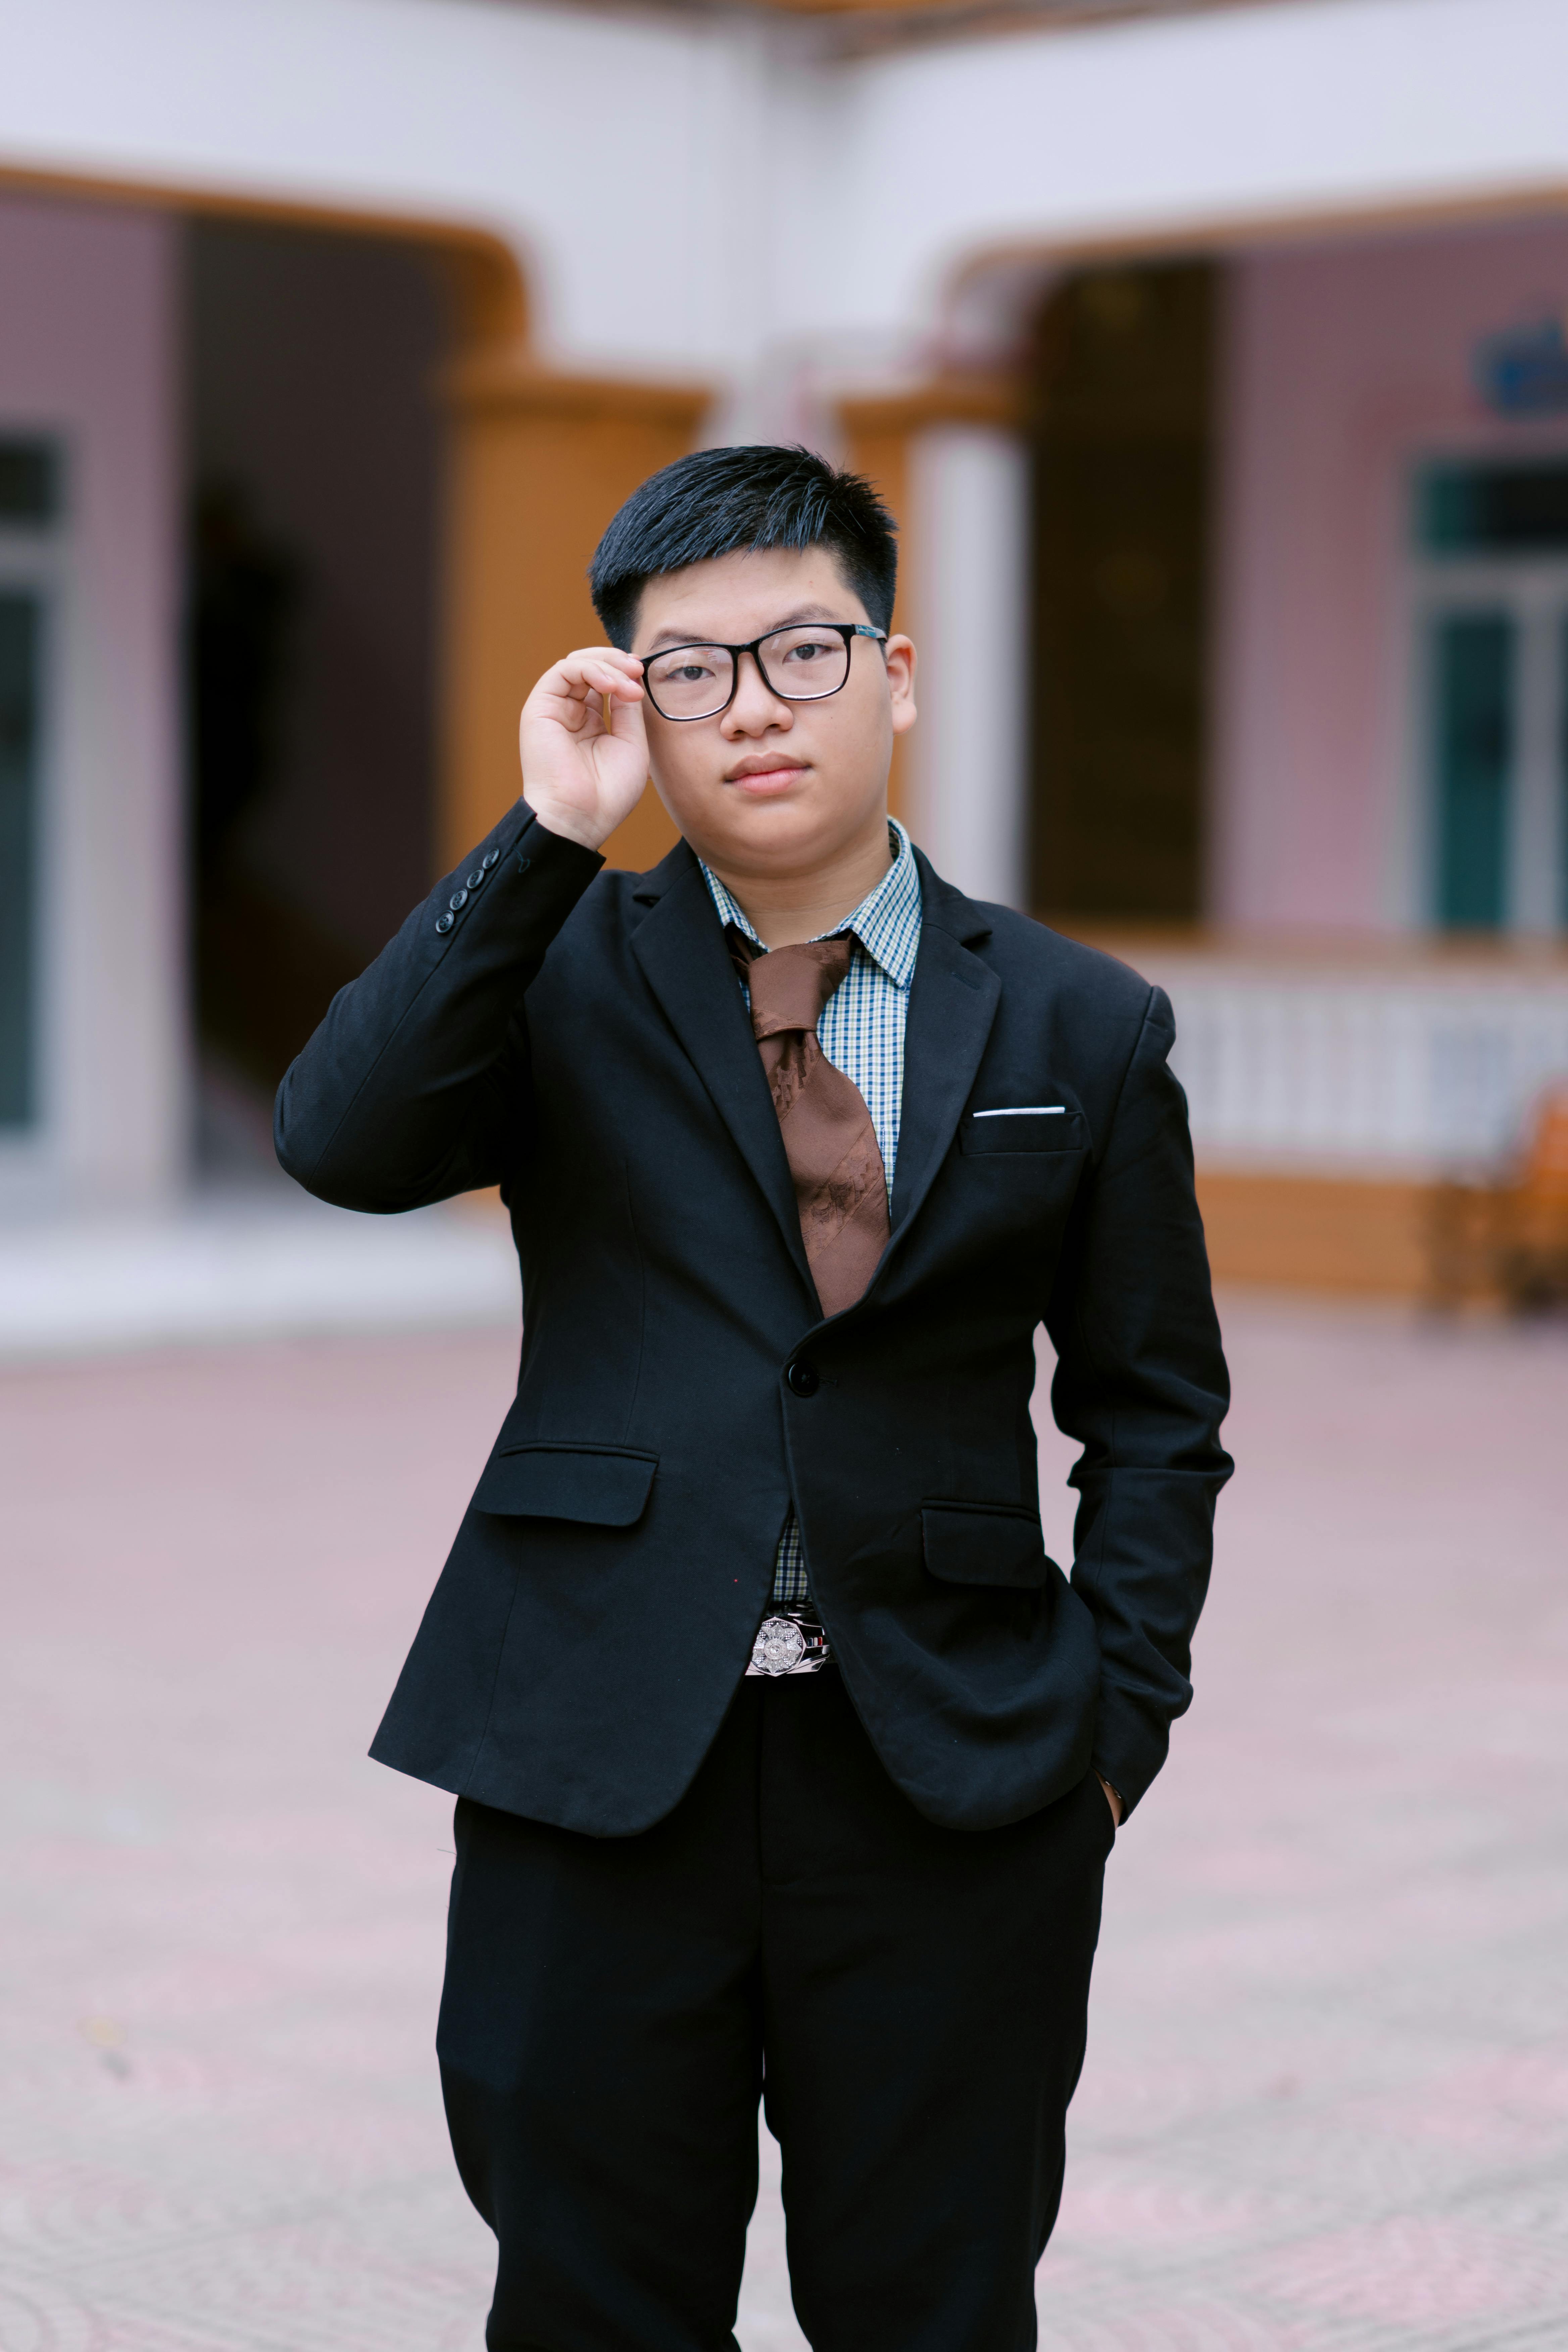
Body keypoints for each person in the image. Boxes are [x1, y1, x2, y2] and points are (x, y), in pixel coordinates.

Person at [275, 444, 1231, 2352]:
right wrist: (549, 830)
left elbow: (1151, 1412)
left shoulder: (1079, 1024)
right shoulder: (555, 972)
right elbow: (341, 1140)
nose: (754, 709)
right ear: (634, 700)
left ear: (896, 671)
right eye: (690, 671)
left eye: (804, 651)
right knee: (589, 2304)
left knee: (936, 2308)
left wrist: (1113, 1730)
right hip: (597, 1762)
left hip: (953, 1778)